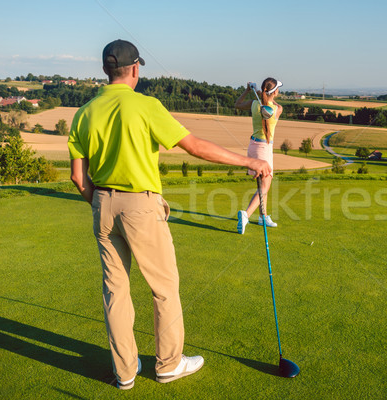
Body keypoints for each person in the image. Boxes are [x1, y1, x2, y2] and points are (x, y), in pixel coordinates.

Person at [68, 39, 271, 390]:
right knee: (164, 288)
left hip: (101, 203)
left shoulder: (84, 112)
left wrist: (101, 204)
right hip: (141, 205)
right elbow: (194, 146)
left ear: (105, 69)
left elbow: (76, 176)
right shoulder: (146, 106)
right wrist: (250, 160)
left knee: (115, 292)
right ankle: (168, 365)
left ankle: (125, 373)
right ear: (134, 69)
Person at [234, 78, 283, 234]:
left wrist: (248, 90)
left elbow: (237, 104)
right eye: (278, 88)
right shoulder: (277, 109)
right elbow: (271, 104)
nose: (279, 91)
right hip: (264, 149)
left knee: (264, 184)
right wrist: (260, 93)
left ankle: (263, 217)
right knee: (264, 186)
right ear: (274, 92)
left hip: (253, 147)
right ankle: (246, 215)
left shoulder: (254, 103)